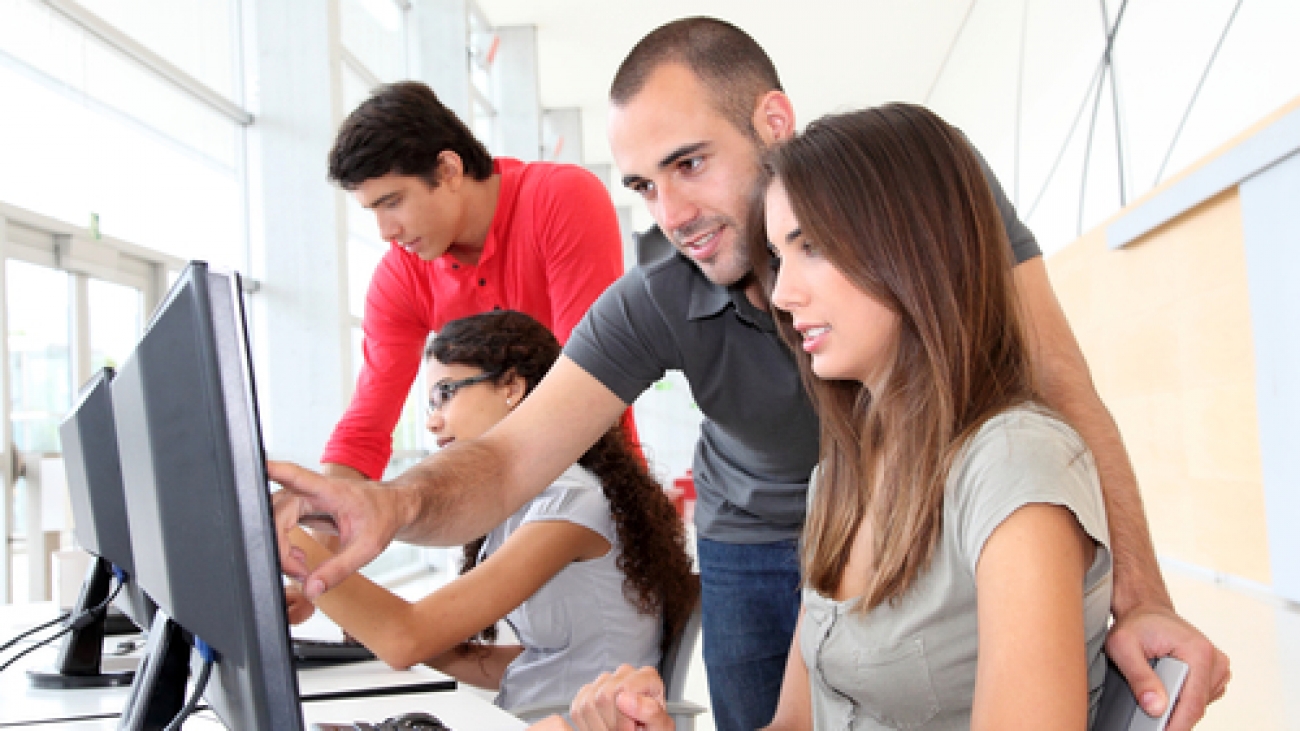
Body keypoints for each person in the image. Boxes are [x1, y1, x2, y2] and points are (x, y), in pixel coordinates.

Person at [272, 18, 1228, 731]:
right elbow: (515, 455)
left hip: (929, 497)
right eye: (644, 185)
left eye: (690, 162)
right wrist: (387, 509)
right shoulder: (678, 309)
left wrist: (1137, 592)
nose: (672, 211)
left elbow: (1060, 384)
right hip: (814, 513)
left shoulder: (1006, 450)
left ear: (772, 119)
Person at [557, 103, 1115, 731]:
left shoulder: (1013, 464)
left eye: (813, 248)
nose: (784, 294)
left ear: (920, 248)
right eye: (778, 256)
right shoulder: (843, 473)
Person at [285, 311, 697, 711]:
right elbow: (536, 665)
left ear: (512, 388)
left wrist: (285, 536)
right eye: (430, 405)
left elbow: (403, 637)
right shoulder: (528, 503)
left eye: (445, 394)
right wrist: (367, 626)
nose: (432, 422)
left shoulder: (571, 503)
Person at [320, 80, 627, 482]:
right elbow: (365, 430)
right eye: (371, 211)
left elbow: (588, 384)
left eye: (392, 202)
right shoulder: (399, 276)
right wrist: (315, 527)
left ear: (448, 170)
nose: (384, 231)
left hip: (594, 487)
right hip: (495, 503)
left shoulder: (560, 199)